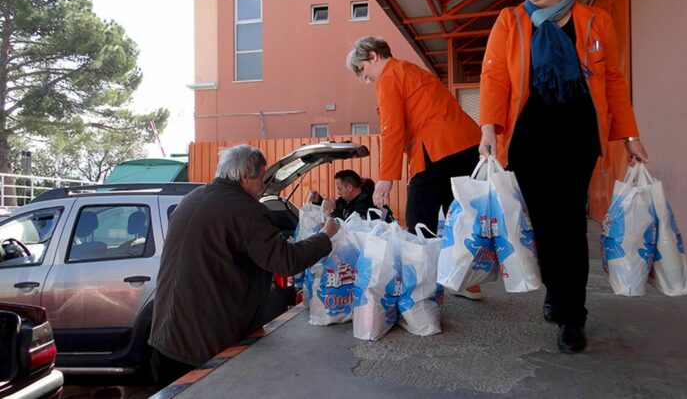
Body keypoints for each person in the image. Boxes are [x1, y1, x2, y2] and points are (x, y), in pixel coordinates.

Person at [478, 0, 648, 354]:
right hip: (528, 139)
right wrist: (487, 126)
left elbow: (612, 80)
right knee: (543, 224)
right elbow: (495, 75)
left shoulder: (594, 20)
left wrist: (629, 135)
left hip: (576, 137)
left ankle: (574, 315)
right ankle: (555, 290)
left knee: (569, 221)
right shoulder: (510, 21)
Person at [148, 145, 338, 389]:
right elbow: (287, 261)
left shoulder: (192, 198)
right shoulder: (245, 210)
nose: (263, 184)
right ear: (245, 176)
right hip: (205, 348)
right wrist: (325, 236)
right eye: (261, 176)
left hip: (166, 338)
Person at [346, 36, 483, 299]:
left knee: (419, 220)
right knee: (457, 217)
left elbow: (392, 129)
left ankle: (421, 292)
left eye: (363, 70)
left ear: (373, 56)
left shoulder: (388, 76)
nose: (366, 79)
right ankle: (469, 283)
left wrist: (385, 178)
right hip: (465, 144)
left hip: (434, 148)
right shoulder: (412, 70)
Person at [309, 169, 394, 222]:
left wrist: (334, 211)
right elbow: (338, 204)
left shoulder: (368, 206)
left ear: (350, 188)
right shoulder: (351, 200)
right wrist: (319, 201)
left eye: (339, 189)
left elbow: (351, 231)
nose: (338, 193)